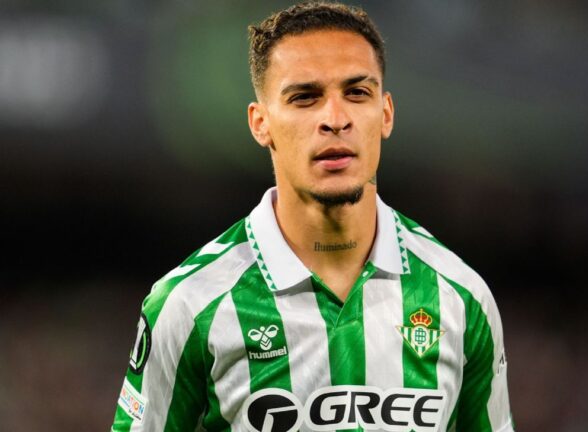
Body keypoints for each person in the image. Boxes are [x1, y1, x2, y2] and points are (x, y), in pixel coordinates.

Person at [111, 2, 513, 431]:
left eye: (357, 93)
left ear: (386, 113)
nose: (335, 120)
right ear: (260, 123)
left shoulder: (461, 297)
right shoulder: (189, 304)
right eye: (305, 97)